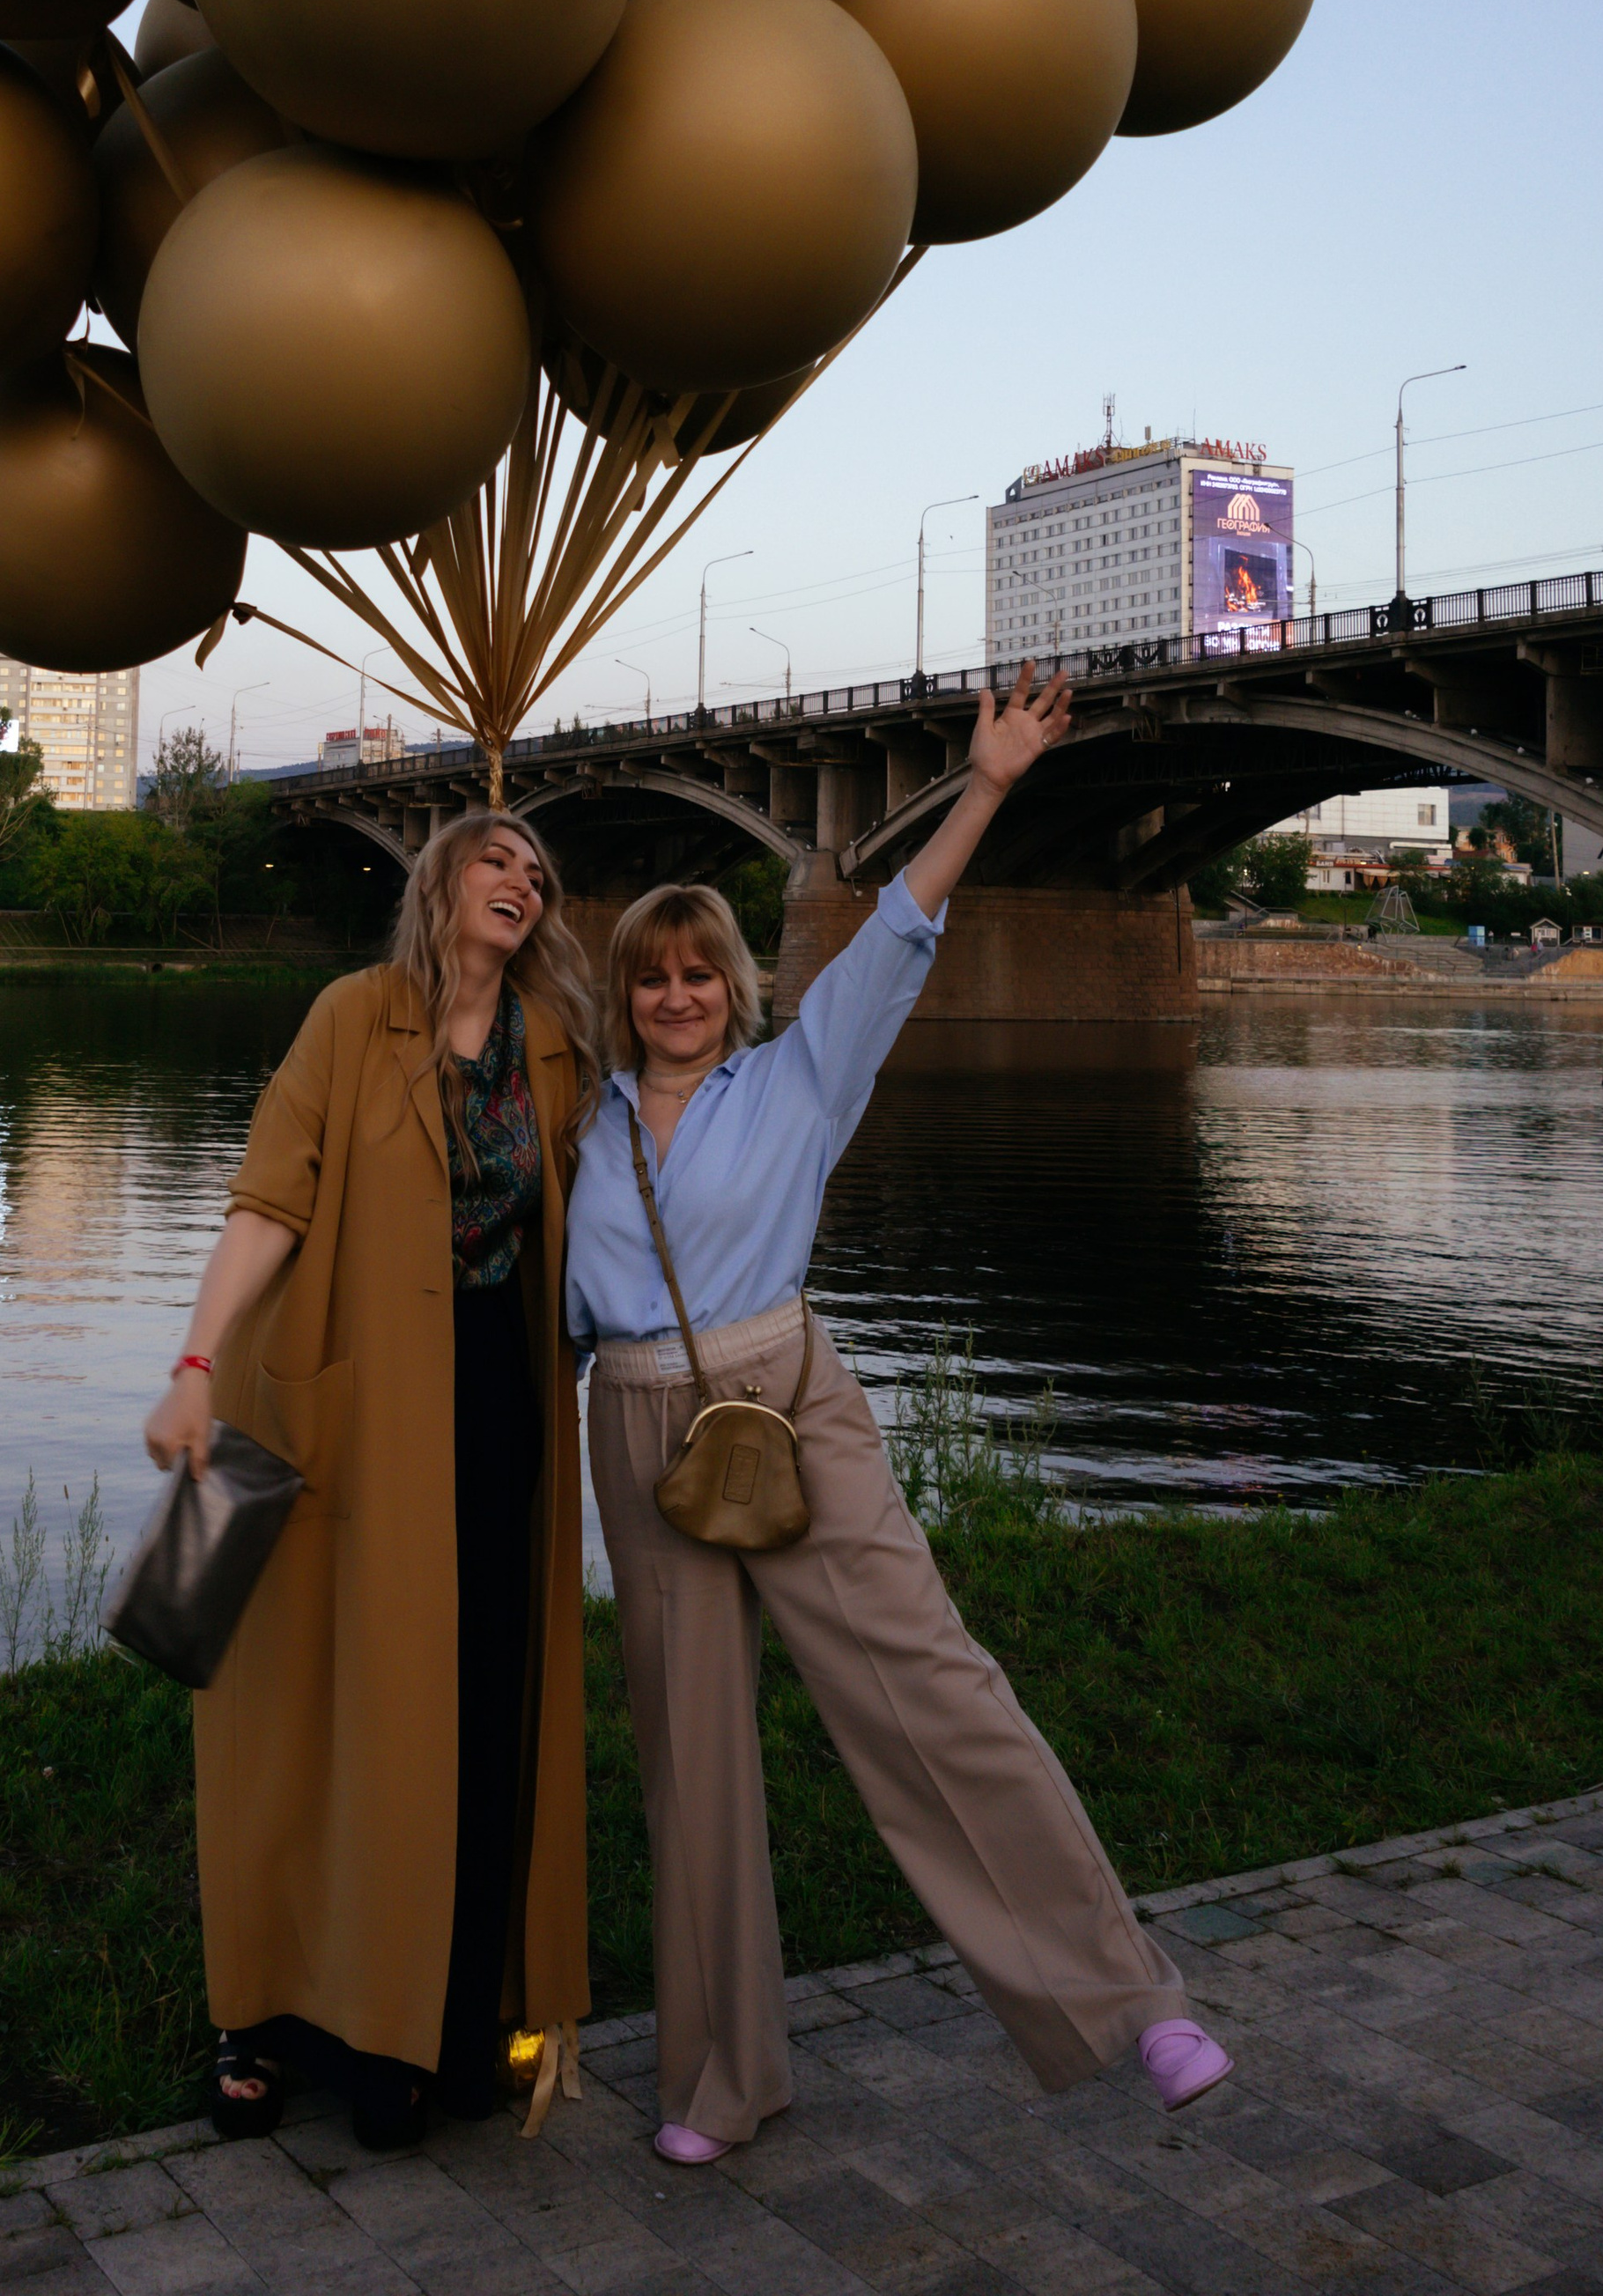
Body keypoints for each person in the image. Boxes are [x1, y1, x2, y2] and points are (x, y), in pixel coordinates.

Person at [565, 662, 1231, 2159]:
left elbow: (898, 935)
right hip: (634, 1417)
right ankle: (723, 2081)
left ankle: (1134, 2005)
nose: (674, 996)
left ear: (731, 986)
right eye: (648, 977)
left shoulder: (796, 1081)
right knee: (693, 1762)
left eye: (696, 972)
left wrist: (988, 782)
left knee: (931, 1691)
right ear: (622, 996)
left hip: (787, 1399)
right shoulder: (580, 1128)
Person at [144, 810, 601, 2152]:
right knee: (312, 1718)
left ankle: (448, 2026)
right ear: (441, 879)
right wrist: (193, 1362)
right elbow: (268, 1203)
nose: (521, 878)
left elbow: (622, 1195)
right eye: (497, 858)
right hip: (341, 1417)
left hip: (495, 1410)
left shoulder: (555, 1045)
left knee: (471, 1717)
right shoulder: (354, 1017)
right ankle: (277, 2019)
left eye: (540, 869)